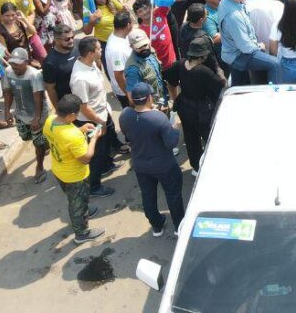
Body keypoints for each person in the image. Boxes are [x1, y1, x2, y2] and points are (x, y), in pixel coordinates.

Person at [119, 82, 184, 237]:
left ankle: (157, 226)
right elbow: (171, 142)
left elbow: (128, 135)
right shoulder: (158, 118)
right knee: (173, 195)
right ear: (149, 98)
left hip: (141, 165)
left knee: (148, 196)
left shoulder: (125, 115)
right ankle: (178, 226)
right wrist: (175, 126)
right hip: (164, 165)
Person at [42, 94, 105, 244]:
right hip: (75, 176)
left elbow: (61, 137)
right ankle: (81, 233)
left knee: (76, 199)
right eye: (76, 114)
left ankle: (85, 211)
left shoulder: (50, 120)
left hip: (59, 170)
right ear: (70, 115)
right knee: (77, 204)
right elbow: (86, 157)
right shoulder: (73, 136)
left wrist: (81, 129)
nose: (77, 116)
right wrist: (94, 138)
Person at [168, 37, 225, 176]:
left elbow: (171, 83)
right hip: (203, 111)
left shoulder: (179, 64)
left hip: (184, 107)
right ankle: (217, 164)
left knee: (190, 138)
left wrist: (176, 100)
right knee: (210, 137)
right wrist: (220, 73)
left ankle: (196, 167)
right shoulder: (205, 72)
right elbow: (221, 86)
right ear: (204, 55)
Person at [68, 36, 116, 198]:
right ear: (90, 53)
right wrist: (99, 121)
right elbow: (84, 107)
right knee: (95, 153)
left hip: (102, 113)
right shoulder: (80, 79)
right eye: (98, 49)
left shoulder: (91, 63)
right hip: (92, 121)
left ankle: (105, 167)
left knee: (105, 147)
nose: (101, 50)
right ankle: (94, 186)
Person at [218, 0, 280, 85]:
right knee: (275, 64)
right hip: (239, 55)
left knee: (240, 86)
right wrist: (259, 46)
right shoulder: (234, 17)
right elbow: (245, 47)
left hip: (232, 52)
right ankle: (273, 95)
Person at [3, 48, 49, 183]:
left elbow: (38, 98)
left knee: (37, 142)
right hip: (20, 114)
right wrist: (6, 111)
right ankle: (47, 142)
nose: (14, 66)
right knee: (25, 137)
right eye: (12, 63)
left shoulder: (34, 75)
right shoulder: (8, 72)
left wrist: (37, 117)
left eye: (17, 63)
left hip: (37, 114)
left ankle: (40, 166)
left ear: (27, 62)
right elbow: (7, 92)